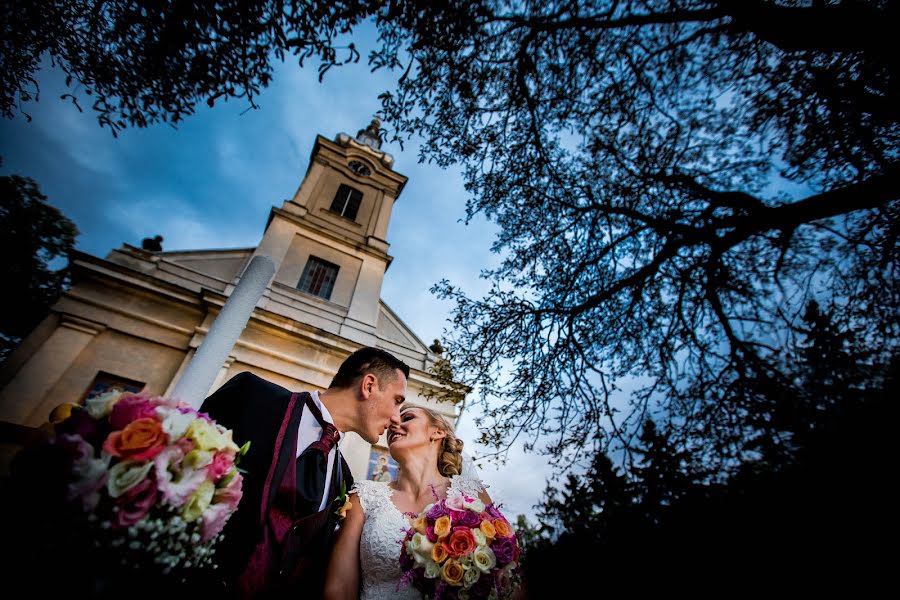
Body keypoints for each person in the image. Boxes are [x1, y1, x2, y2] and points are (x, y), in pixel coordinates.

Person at [199, 347, 409, 599]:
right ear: (369, 386)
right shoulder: (252, 398)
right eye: (397, 401)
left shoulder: (344, 478)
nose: (397, 419)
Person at [323, 405, 493, 600]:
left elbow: (505, 573)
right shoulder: (364, 496)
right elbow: (339, 589)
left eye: (407, 417)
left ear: (437, 432)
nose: (394, 423)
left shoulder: (471, 494)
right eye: (394, 420)